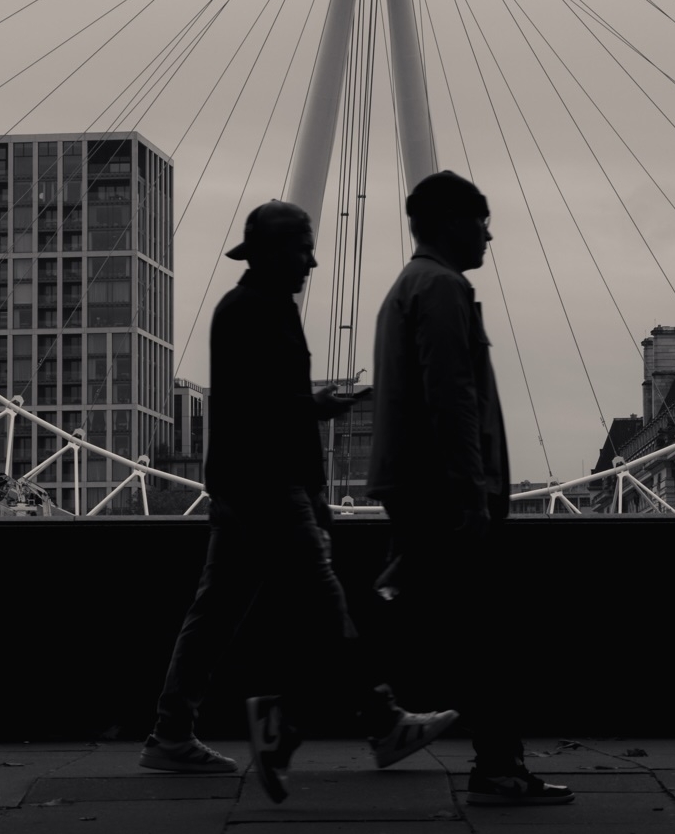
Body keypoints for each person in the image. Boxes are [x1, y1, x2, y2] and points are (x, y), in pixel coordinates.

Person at [141, 200, 457, 803]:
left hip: (251, 485)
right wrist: (310, 463)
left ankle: (172, 732)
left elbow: (257, 404)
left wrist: (310, 420)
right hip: (268, 486)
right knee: (325, 605)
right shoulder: (254, 310)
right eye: (301, 248)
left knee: (217, 615)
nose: (312, 261)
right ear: (271, 253)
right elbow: (264, 410)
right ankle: (373, 722)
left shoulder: (253, 308)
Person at [369, 171, 574, 806]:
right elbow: (453, 395)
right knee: (486, 631)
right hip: (444, 491)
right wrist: (471, 490)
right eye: (481, 219)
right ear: (451, 222)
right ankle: (500, 766)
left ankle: (289, 710)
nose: (489, 232)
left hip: (414, 483)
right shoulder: (441, 288)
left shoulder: (406, 287)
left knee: (411, 616)